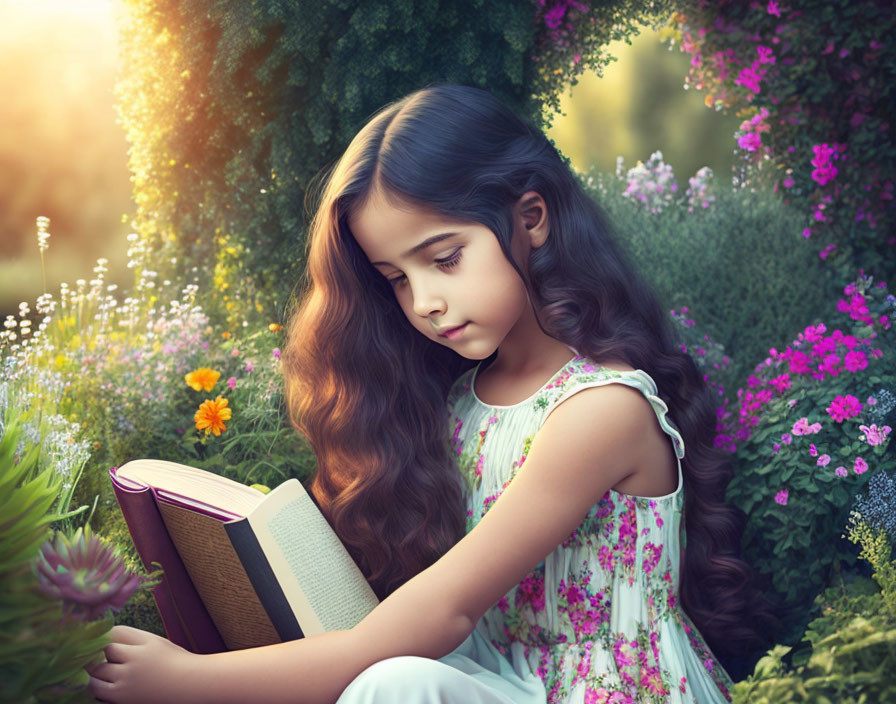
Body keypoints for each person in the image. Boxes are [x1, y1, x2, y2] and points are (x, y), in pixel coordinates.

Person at [85, 83, 777, 704]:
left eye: (444, 259)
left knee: (395, 680)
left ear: (530, 218)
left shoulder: (601, 411)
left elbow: (444, 611)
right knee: (393, 672)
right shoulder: (461, 399)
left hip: (608, 690)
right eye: (396, 278)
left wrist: (188, 684)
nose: (426, 302)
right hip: (510, 676)